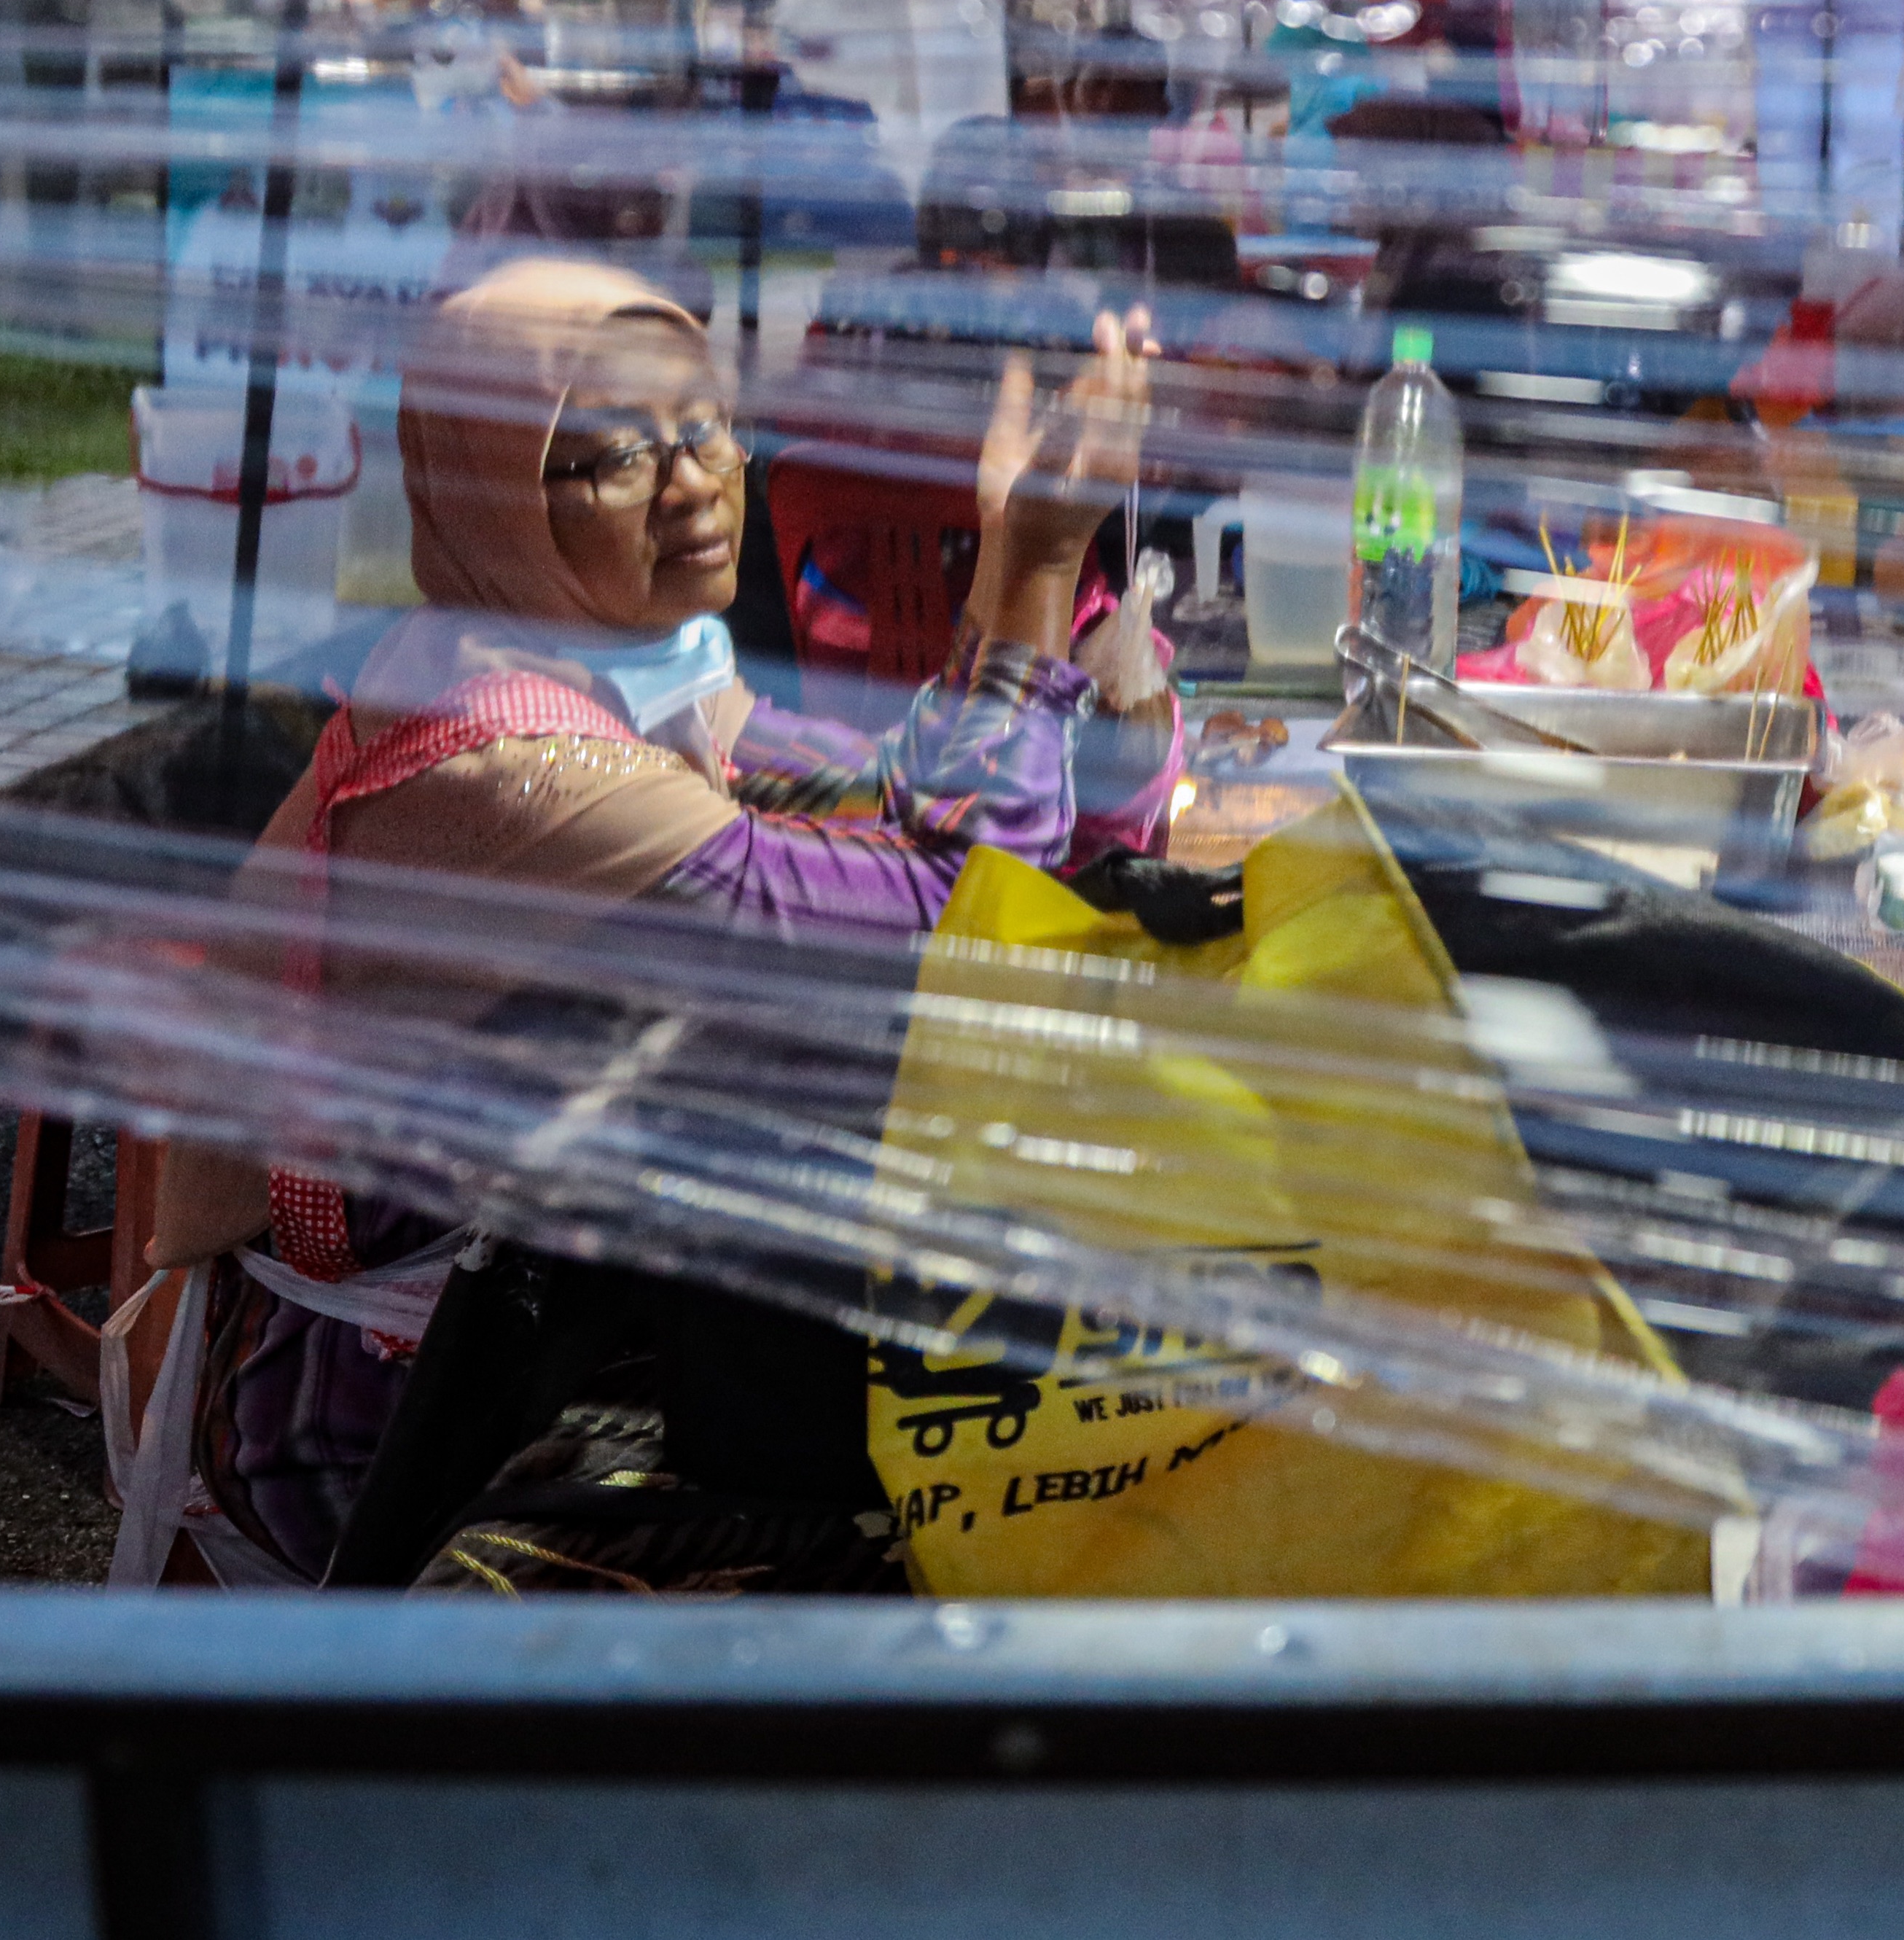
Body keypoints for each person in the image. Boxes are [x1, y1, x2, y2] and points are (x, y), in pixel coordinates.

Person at [134, 257, 1178, 1587]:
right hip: (389, 1421)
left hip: (556, 1302)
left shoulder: (612, 669)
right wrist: (1024, 570)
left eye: (703, 427)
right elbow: (938, 929)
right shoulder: (502, 753)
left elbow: (869, 823)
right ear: (487, 491)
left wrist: (1075, 647)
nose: (691, 481)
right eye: (613, 454)